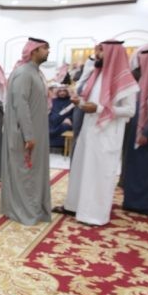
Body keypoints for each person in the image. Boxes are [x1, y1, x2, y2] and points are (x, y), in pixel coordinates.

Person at [59, 40, 139, 225]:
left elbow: (129, 111)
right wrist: (79, 102)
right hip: (89, 131)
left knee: (98, 174)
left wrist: (100, 109)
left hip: (107, 134)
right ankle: (74, 207)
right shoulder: (97, 74)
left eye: (100, 51)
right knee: (81, 169)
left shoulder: (125, 80)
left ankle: (93, 215)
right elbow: (90, 101)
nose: (97, 55)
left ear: (112, 54)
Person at [0, 37, 52, 225]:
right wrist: (28, 135)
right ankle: (24, 211)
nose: (48, 51)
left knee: (33, 172)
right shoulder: (24, 73)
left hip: (36, 132)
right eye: (45, 48)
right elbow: (20, 105)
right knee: (25, 172)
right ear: (34, 50)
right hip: (24, 134)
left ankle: (35, 209)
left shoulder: (36, 72)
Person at [123, 45, 148, 214]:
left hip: (147, 133)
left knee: (144, 170)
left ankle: (142, 204)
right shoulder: (143, 81)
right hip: (140, 128)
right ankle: (135, 201)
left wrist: (146, 132)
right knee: (136, 168)